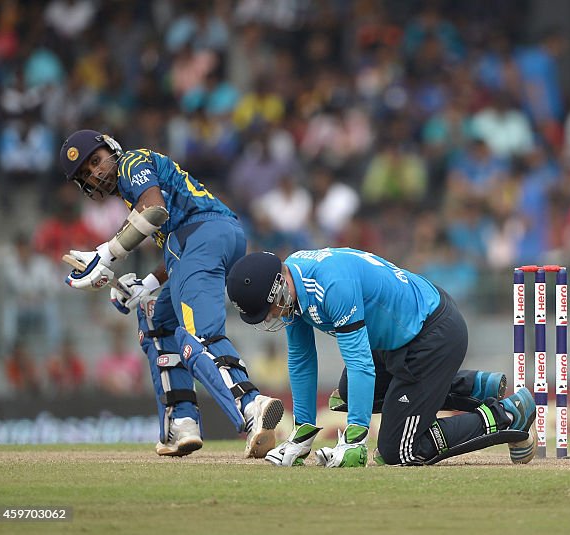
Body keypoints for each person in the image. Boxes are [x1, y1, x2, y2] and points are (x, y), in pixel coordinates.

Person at [57, 129, 283, 458]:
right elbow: (176, 246)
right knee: (156, 318)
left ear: (111, 148)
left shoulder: (132, 162)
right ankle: (182, 421)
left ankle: (252, 405)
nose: (96, 172)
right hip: (207, 238)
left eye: (95, 160)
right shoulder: (133, 189)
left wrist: (105, 254)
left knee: (199, 336)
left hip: (201, 236)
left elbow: (156, 212)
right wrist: (147, 284)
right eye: (86, 174)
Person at [225, 248, 537, 467]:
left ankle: (509, 415)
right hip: (399, 336)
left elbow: (360, 363)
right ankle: (473, 387)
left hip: (432, 334)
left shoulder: (332, 287)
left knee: (399, 449)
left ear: (280, 284)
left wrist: (355, 439)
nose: (273, 316)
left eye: (270, 308)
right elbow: (301, 359)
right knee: (348, 394)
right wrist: (302, 432)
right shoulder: (291, 282)